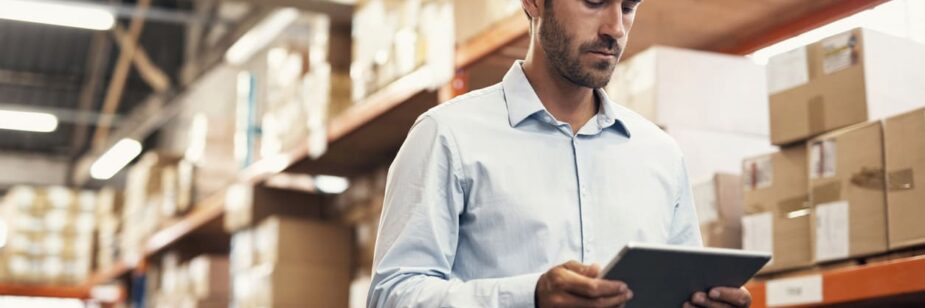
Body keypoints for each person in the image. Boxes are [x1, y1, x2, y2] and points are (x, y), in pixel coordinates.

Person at [367, 0, 753, 307]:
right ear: (533, 2)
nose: (615, 28)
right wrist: (530, 296)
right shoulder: (448, 136)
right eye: (594, 1)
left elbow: (679, 286)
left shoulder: (661, 155)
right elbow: (391, 296)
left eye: (629, 7)